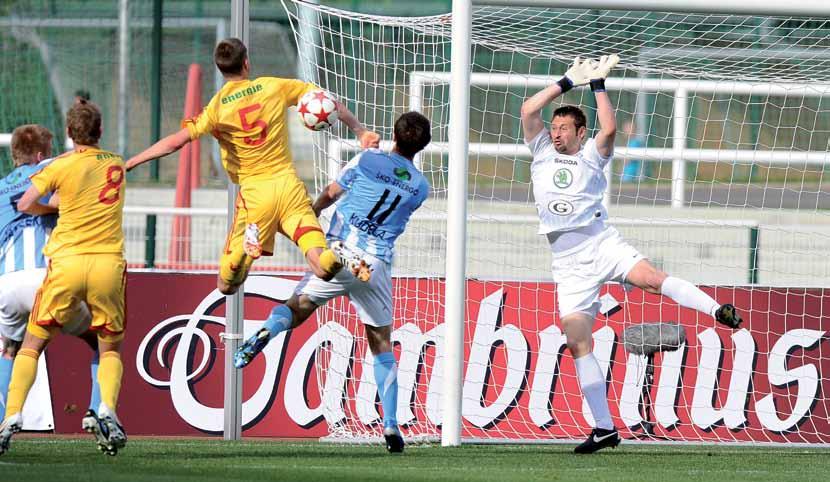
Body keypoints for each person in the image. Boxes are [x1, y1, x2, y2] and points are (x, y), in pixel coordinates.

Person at [519, 55, 742, 454]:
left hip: (601, 243)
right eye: (553, 128)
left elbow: (608, 127)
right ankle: (604, 429)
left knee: (652, 280)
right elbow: (527, 109)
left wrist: (598, 85)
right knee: (577, 340)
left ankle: (716, 310)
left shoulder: (592, 154)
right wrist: (568, 81)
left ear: (579, 132)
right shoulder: (539, 150)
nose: (555, 134)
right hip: (567, 262)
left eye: (564, 128)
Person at [234, 111, 432, 454]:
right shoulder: (420, 187)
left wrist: (309, 212)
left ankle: (267, 331)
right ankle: (390, 425)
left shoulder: (367, 159)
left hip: (339, 249)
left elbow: (332, 192)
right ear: (423, 145)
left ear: (395, 136)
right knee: (381, 343)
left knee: (300, 306)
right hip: (373, 265)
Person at [125, 38, 380, 295]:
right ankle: (336, 254)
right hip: (290, 189)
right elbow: (326, 100)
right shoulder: (273, 87)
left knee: (227, 285)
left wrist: (134, 160)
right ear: (246, 62)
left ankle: (244, 253)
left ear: (220, 68)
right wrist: (360, 131)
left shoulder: (216, 108)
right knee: (321, 265)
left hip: (256, 196)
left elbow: (175, 143)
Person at [0, 101, 128, 456]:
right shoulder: (104, 164)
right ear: (100, 131)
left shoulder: (43, 172)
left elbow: (23, 203)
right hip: (93, 266)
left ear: (71, 134)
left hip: (32, 275)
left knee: (21, 347)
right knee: (104, 345)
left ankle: (8, 416)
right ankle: (103, 409)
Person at [0, 125, 101, 430]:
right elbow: (81, 157)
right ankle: (97, 412)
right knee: (100, 340)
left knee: (8, 348)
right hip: (47, 279)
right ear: (42, 154)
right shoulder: (48, 169)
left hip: (7, 282)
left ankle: (5, 418)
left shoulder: (2, 186)